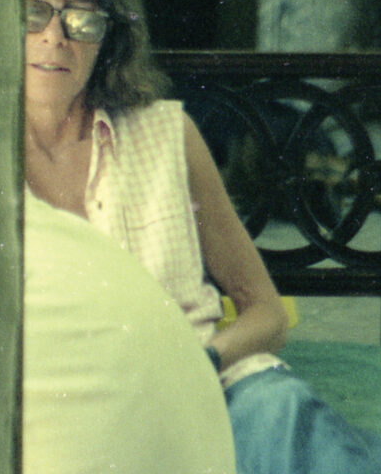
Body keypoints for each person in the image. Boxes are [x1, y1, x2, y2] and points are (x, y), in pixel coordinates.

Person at [22, 0, 381, 474]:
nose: (55, 37)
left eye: (80, 18)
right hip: (74, 409)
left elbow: (266, 312)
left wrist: (201, 363)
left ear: (108, 39)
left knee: (281, 412)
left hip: (209, 386)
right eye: (33, 13)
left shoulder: (167, 135)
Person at [22, 190, 236, 473]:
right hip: (143, 382)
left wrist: (197, 359)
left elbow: (267, 311)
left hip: (190, 367)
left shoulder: (171, 146)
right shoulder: (18, 215)